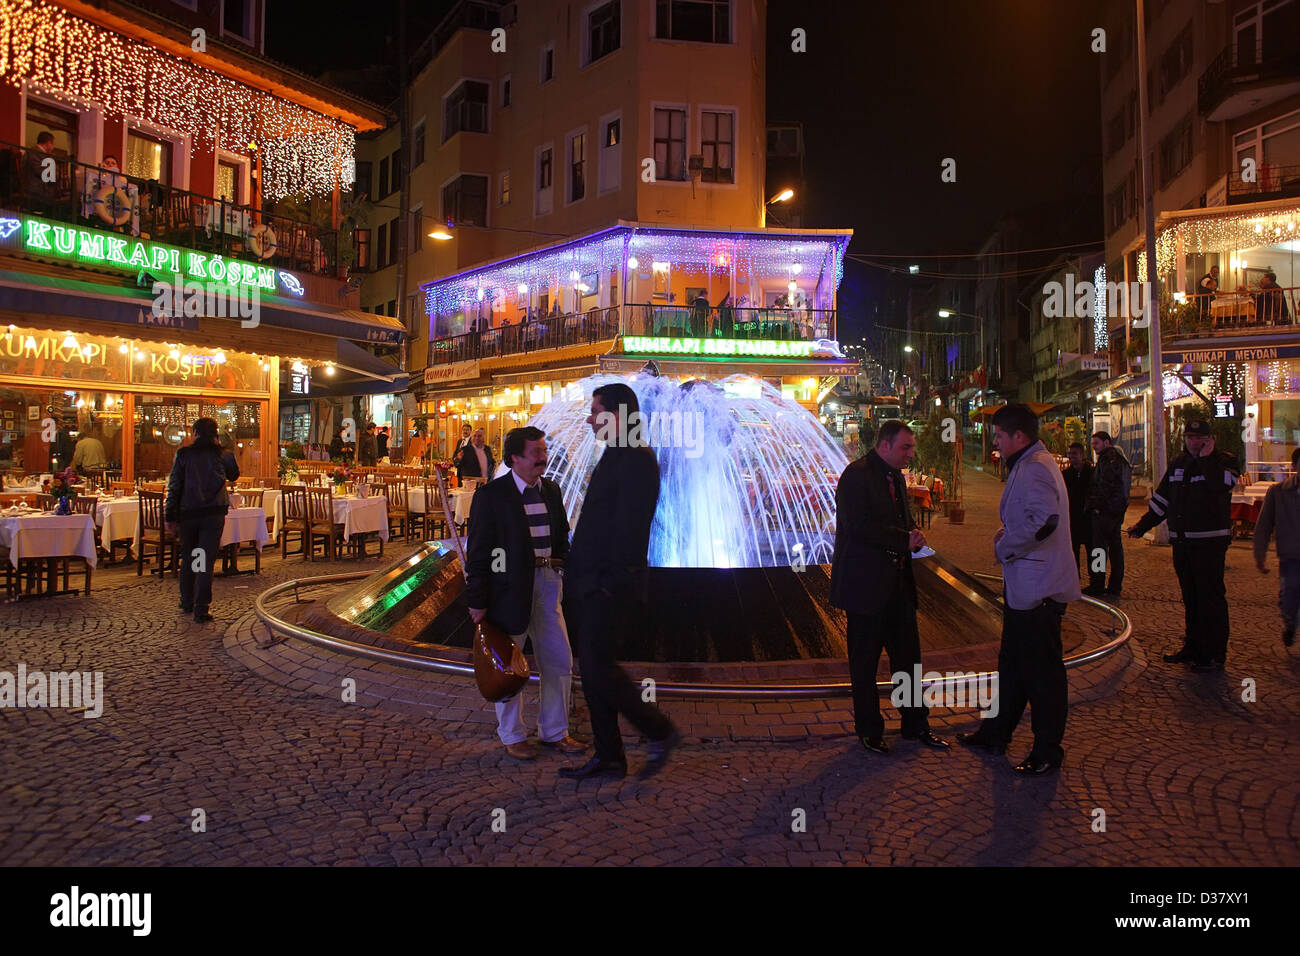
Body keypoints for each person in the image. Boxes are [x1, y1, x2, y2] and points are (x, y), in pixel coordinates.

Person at [560, 382, 678, 779]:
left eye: (596, 412)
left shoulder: (636, 459)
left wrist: (607, 581)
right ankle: (608, 753)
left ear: (615, 414)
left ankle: (658, 730)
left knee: (599, 668)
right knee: (594, 670)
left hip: (609, 585)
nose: (589, 419)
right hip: (592, 581)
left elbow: (630, 528)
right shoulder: (615, 454)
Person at [958, 404, 1080, 774]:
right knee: (1012, 665)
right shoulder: (1030, 464)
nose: (995, 442)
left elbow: (1044, 521)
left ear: (1018, 436)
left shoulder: (1035, 468)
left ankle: (1047, 750)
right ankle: (996, 731)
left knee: (1042, 673)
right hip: (1026, 587)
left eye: (998, 436)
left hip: (1038, 589)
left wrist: (1005, 546)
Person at [465, 426, 586, 760]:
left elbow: (562, 535)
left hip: (547, 583)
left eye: (544, 451)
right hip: (508, 589)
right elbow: (478, 551)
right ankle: (512, 734)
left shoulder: (551, 490)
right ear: (515, 457)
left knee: (559, 660)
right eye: (535, 452)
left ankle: (555, 731)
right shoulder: (492, 496)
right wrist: (477, 598)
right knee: (508, 662)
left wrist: (561, 570)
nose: (543, 458)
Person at [829, 421, 948, 754]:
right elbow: (857, 527)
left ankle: (915, 723)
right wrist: (902, 540)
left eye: (911, 448)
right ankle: (869, 730)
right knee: (864, 665)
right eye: (905, 448)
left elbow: (900, 520)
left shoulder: (894, 475)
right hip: (866, 588)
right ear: (884, 445)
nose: (910, 454)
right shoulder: (856, 476)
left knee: (909, 661)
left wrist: (912, 535)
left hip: (897, 586)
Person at [1128, 419, 1239, 671]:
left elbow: (1220, 484)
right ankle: (1193, 647)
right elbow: (1162, 500)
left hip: (1209, 544)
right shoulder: (1179, 463)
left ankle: (1214, 653)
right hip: (1183, 543)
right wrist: (1143, 525)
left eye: (1198, 438)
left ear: (1210, 440)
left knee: (1210, 598)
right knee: (1190, 598)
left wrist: (1206, 459)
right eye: (1188, 437)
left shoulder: (1224, 461)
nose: (1193, 442)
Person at [164, 418, 238, 624]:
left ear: (195, 433)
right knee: (204, 559)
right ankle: (200, 606)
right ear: (215, 435)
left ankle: (187, 600)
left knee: (191, 556)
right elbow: (234, 475)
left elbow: (175, 486)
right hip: (213, 514)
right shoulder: (223, 455)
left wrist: (170, 515)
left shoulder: (184, 454)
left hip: (189, 514)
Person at [1255, 448, 1300, 648]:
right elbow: (1264, 524)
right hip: (1291, 555)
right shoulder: (1278, 492)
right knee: (1290, 593)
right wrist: (1260, 555)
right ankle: (1290, 623)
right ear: (1295, 467)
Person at [1083, 431, 1131, 598]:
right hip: (1115, 511)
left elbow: (1105, 486)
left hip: (1105, 512)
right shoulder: (1118, 459)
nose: (1094, 447)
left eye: (1096, 443)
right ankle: (1114, 585)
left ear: (1106, 442)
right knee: (1115, 550)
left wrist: (1096, 506)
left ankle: (1097, 584)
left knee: (1099, 550)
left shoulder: (1109, 460)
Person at [1062, 442, 1093, 580]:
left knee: (1096, 551)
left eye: (1074, 453)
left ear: (1082, 455)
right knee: (1072, 550)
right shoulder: (1065, 475)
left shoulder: (1093, 473)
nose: (1071, 456)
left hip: (1091, 519)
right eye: (1069, 453)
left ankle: (1097, 579)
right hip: (1072, 519)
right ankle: (1073, 577)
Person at [23, 131, 60, 213]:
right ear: (48, 143)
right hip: (36, 189)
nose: (53, 147)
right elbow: (41, 171)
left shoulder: (36, 153)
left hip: (40, 188)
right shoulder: (34, 153)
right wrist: (55, 175)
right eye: (52, 144)